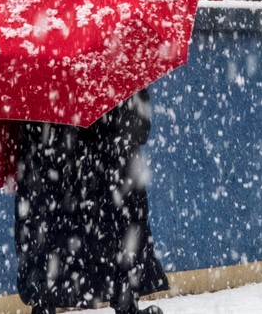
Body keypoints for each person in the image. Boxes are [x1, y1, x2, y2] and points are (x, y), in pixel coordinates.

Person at [13, 88, 168, 314]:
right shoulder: (113, 72)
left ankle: (44, 304)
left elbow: (26, 136)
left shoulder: (38, 79)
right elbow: (140, 128)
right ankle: (126, 304)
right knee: (116, 234)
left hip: (56, 177)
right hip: (102, 175)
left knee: (49, 237)